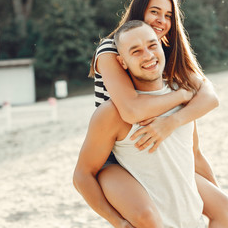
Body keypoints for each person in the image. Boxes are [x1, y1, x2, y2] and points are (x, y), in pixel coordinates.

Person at [85, 0, 228, 227]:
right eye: (155, 12)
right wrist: (183, 95)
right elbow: (131, 110)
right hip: (113, 155)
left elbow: (209, 96)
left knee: (226, 209)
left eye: (168, 15)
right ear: (138, 12)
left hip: (156, 148)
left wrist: (173, 121)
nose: (162, 20)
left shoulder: (164, 49)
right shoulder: (110, 49)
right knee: (149, 219)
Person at [74, 20, 207, 227]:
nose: (148, 55)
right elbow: (82, 175)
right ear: (122, 62)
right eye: (135, 51)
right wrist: (117, 222)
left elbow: (195, 155)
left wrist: (220, 200)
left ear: (162, 45)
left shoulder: (182, 97)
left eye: (152, 45)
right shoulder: (112, 114)